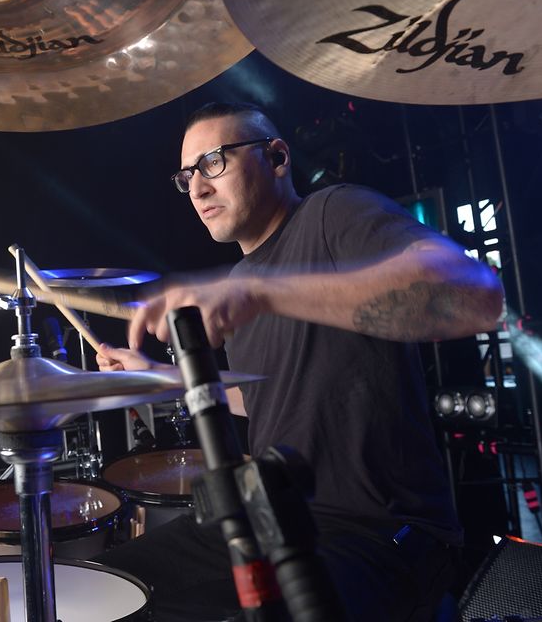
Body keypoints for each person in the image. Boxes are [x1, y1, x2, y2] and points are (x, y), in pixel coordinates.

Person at [93, 102, 503, 622]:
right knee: (102, 590)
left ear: (278, 157)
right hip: (272, 518)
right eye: (187, 174)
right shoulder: (241, 280)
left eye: (214, 161)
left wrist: (264, 293)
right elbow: (260, 395)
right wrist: (159, 377)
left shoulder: (333, 212)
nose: (197, 188)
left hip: (378, 531)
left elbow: (476, 297)